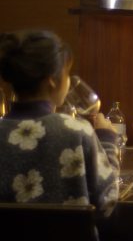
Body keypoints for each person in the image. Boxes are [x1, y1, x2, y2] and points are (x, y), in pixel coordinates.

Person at [0, 30, 120, 214]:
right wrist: (107, 141)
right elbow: (108, 202)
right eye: (67, 73)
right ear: (52, 81)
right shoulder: (76, 131)